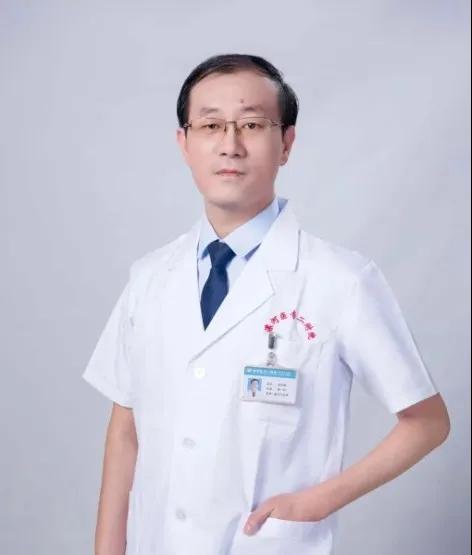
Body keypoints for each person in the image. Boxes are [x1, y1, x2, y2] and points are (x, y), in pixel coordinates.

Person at [82, 53, 450, 555]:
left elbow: (428, 422)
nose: (230, 144)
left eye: (252, 124)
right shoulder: (148, 279)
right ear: (184, 143)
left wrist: (320, 501)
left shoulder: (341, 281)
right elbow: (126, 429)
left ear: (287, 143)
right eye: (211, 125)